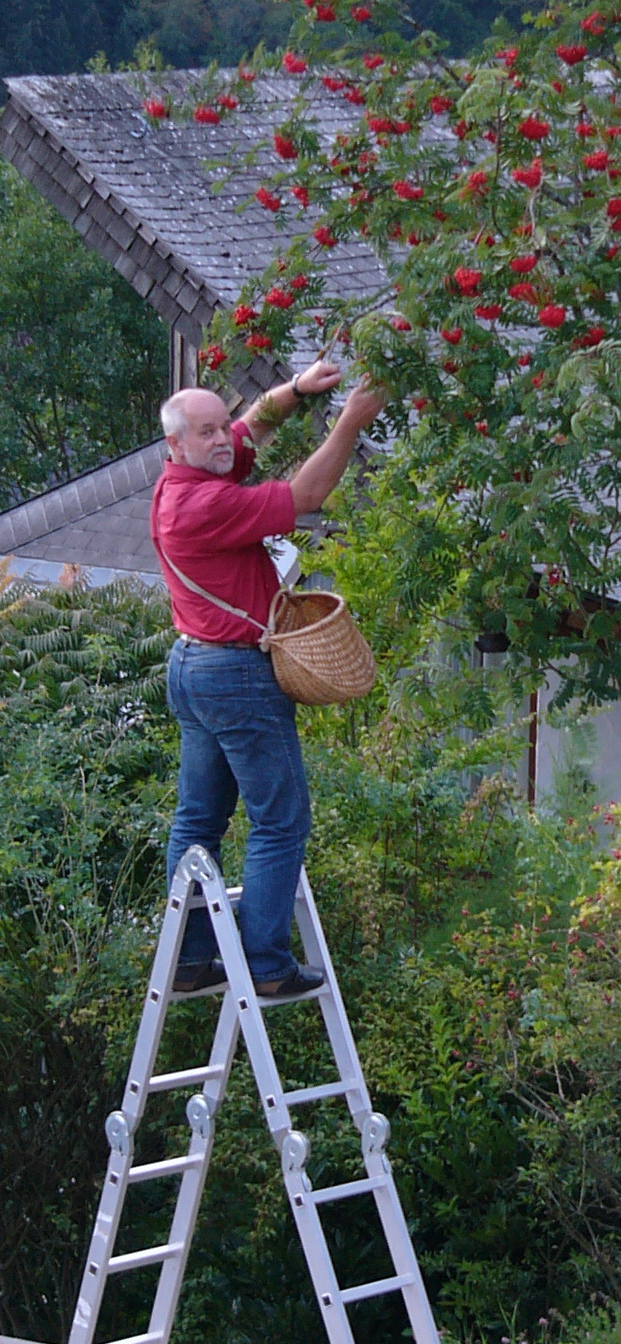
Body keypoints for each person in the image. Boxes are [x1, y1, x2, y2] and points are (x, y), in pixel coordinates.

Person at [152, 360, 386, 997]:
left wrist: (298, 390)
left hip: (195, 664)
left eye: (219, 425)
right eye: (205, 432)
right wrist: (350, 423)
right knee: (282, 820)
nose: (222, 437)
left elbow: (253, 425)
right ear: (176, 445)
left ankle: (192, 959)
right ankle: (265, 965)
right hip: (234, 673)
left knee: (198, 820)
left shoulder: (188, 476)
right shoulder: (204, 502)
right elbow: (306, 498)